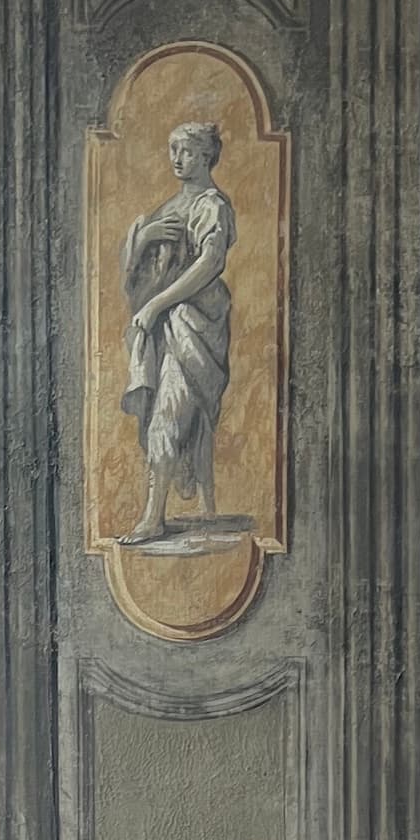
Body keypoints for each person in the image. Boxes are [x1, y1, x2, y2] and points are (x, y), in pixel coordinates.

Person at [117, 122, 235, 544]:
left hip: (193, 325)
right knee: (160, 411)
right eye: (173, 150)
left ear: (206, 156)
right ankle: (162, 512)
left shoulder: (211, 205)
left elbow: (210, 264)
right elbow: (132, 273)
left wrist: (156, 305)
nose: (177, 159)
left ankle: (153, 517)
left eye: (186, 151)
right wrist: (142, 239)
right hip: (162, 328)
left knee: (170, 412)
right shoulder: (170, 206)